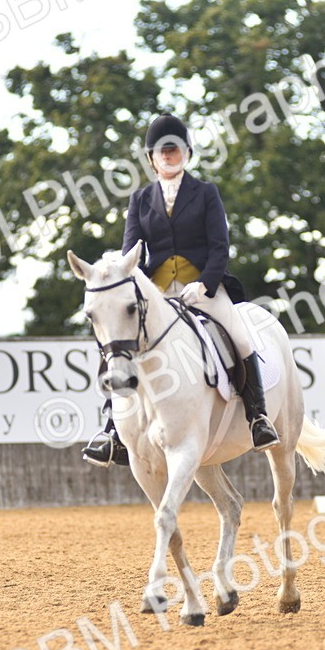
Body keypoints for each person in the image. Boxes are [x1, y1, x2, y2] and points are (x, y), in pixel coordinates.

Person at [82, 113, 280, 467]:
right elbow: (133, 252)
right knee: (116, 343)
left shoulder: (205, 193)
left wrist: (204, 283)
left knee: (239, 335)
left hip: (203, 288)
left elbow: (220, 247)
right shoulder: (140, 199)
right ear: (151, 159)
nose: (169, 156)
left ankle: (258, 417)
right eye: (162, 152)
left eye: (174, 150)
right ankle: (113, 429)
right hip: (156, 292)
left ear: (186, 153)